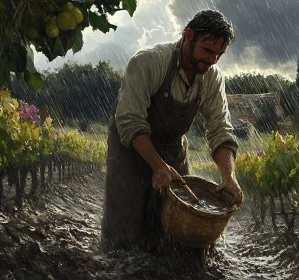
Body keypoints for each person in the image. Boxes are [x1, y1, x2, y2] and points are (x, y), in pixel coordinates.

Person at [101, 10, 243, 253]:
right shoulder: (148, 62)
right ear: (189, 36)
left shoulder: (212, 77)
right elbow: (129, 120)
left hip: (172, 149)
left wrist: (229, 176)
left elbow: (220, 129)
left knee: (178, 227)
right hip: (129, 150)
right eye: (208, 51)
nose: (213, 60)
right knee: (125, 230)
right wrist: (158, 166)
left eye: (220, 54)